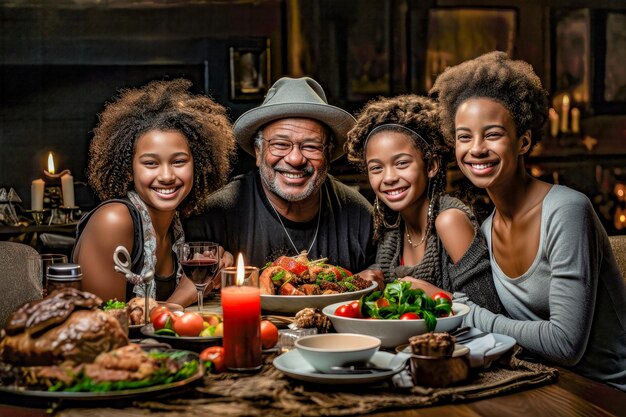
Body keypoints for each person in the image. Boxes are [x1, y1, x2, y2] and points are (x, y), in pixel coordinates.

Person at [429, 51, 626, 390]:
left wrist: (459, 308)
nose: (475, 149)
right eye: (464, 136)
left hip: (607, 392)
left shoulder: (566, 211)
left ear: (523, 141)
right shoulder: (487, 230)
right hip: (543, 381)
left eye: (492, 134)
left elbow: (565, 344)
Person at [184, 77, 379, 283]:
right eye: (280, 144)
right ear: (258, 152)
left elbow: (379, 278)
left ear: (328, 154)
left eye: (311, 146)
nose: (295, 159)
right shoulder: (216, 214)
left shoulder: (358, 214)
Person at [72, 79, 237, 306]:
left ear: (197, 166)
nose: (167, 176)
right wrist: (187, 293)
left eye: (179, 161)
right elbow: (106, 328)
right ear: (130, 170)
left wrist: (209, 271)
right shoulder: (113, 221)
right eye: (151, 163)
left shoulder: (175, 227)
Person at [345, 95, 503, 314]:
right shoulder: (391, 230)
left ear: (431, 166)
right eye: (376, 168)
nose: (388, 177)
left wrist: (432, 294)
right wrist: (364, 279)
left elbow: (491, 312)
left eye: (401, 163)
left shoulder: (450, 221)